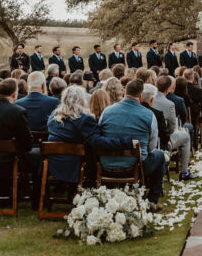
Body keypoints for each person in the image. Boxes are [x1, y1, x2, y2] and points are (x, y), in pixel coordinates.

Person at [46, 85, 136, 185]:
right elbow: (99, 142)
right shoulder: (84, 119)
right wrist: (126, 142)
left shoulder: (53, 116)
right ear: (81, 100)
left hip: (52, 164)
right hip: (75, 167)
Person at [100, 79, 166, 209]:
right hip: (135, 166)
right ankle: (152, 200)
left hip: (106, 163)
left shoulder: (106, 111)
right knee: (159, 156)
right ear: (141, 96)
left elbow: (100, 134)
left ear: (124, 92)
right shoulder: (149, 115)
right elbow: (151, 146)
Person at [150, 78, 194, 180]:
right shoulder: (169, 104)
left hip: (151, 137)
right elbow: (172, 127)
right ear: (167, 90)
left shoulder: (148, 99)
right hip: (163, 139)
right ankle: (184, 172)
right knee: (186, 137)